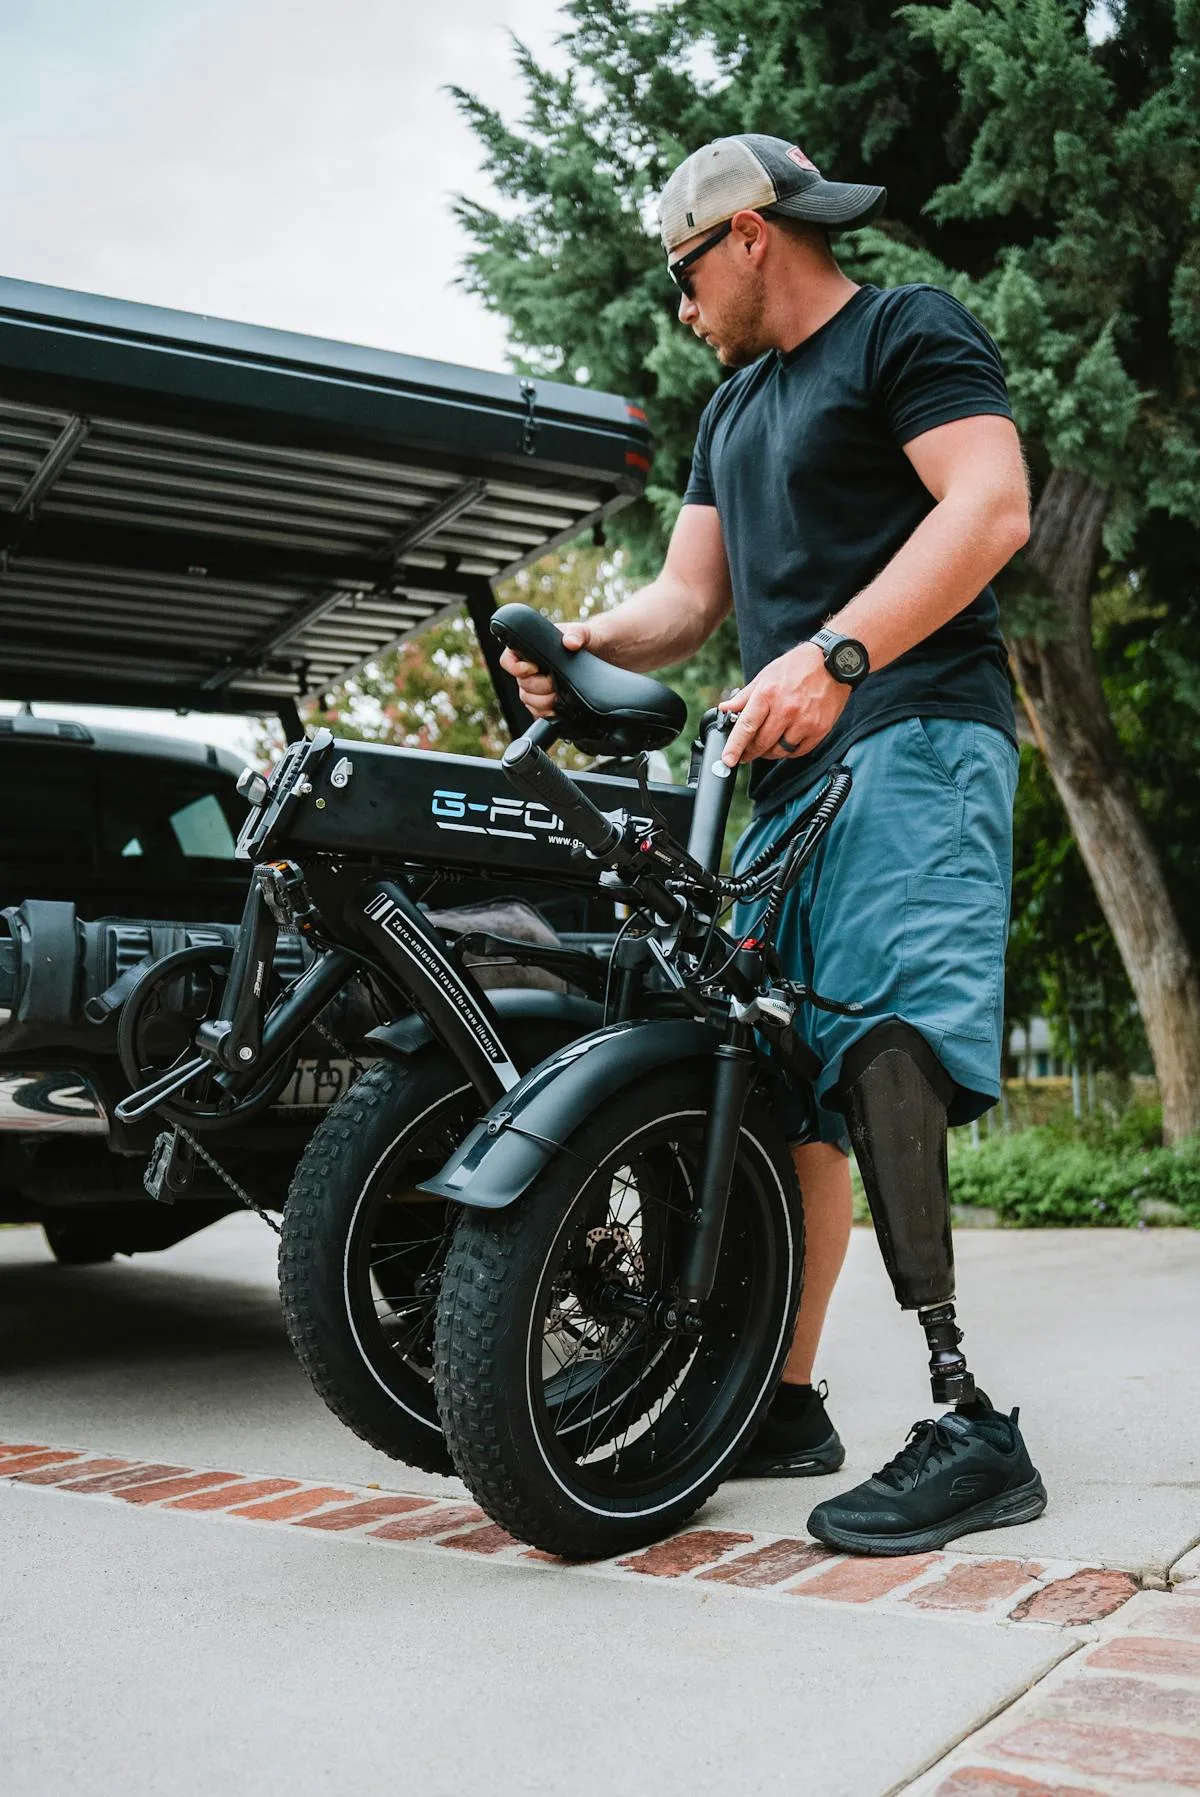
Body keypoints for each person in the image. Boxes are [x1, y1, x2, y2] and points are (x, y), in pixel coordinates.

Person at [499, 133, 1046, 1556]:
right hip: (786, 769)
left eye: (684, 271)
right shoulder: (733, 412)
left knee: (879, 1032)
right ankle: (785, 1399)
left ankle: (969, 1418)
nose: (679, 305)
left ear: (748, 234)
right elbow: (689, 600)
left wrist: (843, 654)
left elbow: (990, 507)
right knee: (792, 1078)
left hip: (916, 728)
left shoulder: (904, 330)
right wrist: (586, 640)